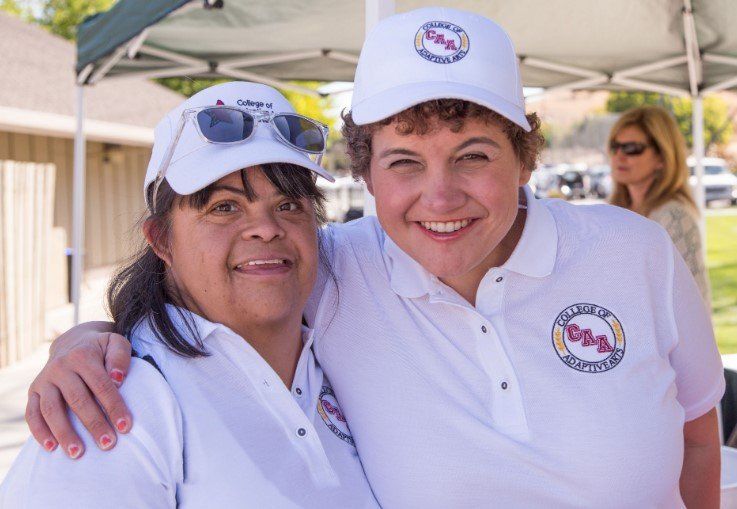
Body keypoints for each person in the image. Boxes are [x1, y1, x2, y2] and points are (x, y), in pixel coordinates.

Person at [20, 7, 724, 508]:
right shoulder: (334, 266)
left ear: (523, 157)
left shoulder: (634, 252)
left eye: (472, 155)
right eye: (403, 161)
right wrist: (89, 343)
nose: (438, 195)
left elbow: (696, 440)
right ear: (366, 172)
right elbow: (220, 280)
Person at [0, 81, 379, 508]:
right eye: (224, 207)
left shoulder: (343, 344)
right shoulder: (113, 403)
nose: (267, 228)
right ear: (162, 240)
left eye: (289, 205)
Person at [608, 105, 711, 303]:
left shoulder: (673, 216)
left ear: (662, 157)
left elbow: (688, 301)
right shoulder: (614, 211)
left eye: (632, 148)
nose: (619, 156)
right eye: (615, 146)